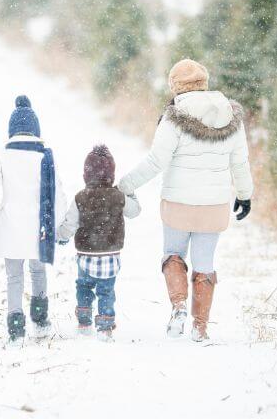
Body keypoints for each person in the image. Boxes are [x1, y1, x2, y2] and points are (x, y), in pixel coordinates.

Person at [117, 59, 253, 342]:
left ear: (176, 86)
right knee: (205, 263)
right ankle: (200, 327)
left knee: (173, 255)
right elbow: (240, 163)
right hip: (214, 206)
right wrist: (244, 195)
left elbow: (156, 161)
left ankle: (178, 307)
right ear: (204, 83)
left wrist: (125, 185)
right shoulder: (230, 115)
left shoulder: (174, 116)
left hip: (178, 202)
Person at [0, 96, 67, 344]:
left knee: (14, 277)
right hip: (39, 228)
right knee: (38, 271)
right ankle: (40, 320)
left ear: (12, 130)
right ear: (36, 130)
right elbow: (57, 195)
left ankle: (16, 327)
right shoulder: (45, 157)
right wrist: (61, 228)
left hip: (11, 228)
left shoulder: (3, 156)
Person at [56, 145, 141, 343]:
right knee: (106, 290)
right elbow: (135, 211)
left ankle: (84, 321)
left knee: (84, 285)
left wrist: (61, 236)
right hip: (111, 256)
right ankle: (105, 326)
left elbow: (70, 223)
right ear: (112, 173)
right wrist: (130, 193)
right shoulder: (118, 196)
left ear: (86, 174)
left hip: (86, 254)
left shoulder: (80, 197)